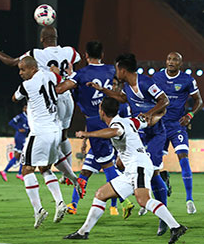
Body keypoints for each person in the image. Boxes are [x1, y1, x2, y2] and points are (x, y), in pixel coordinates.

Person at [64, 97, 187, 244]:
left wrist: (88, 134)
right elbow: (148, 121)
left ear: (101, 112)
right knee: (101, 194)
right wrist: (161, 113)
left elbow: (116, 131)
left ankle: (176, 227)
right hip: (132, 169)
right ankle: (83, 232)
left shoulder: (117, 124)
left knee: (143, 200)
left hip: (139, 166)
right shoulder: (129, 121)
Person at [88, 53, 170, 235]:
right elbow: (123, 98)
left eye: (117, 68)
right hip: (139, 131)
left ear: (123, 70)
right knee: (120, 163)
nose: (116, 71)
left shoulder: (145, 83)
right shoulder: (127, 86)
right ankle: (143, 188)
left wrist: (150, 113)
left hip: (155, 132)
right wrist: (102, 90)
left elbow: (165, 100)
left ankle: (163, 217)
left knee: (154, 171)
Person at [0, 25, 81, 180]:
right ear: (56, 38)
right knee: (63, 135)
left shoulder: (35, 54)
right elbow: (75, 61)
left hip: (52, 97)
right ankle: (68, 172)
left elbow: (12, 62)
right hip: (68, 97)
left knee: (50, 132)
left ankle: (51, 168)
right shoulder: (70, 51)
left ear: (41, 39)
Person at [55, 41, 134, 217]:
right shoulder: (112, 70)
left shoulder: (81, 74)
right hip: (114, 119)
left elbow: (60, 89)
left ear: (85, 55)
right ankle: (74, 204)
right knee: (90, 168)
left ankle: (126, 201)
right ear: (102, 55)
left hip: (96, 121)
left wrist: (60, 77)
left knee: (107, 166)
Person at [12, 56, 70, 228]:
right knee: (45, 168)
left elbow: (15, 98)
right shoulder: (50, 76)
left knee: (26, 169)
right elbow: (59, 78)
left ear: (32, 68)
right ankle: (60, 202)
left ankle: (38, 210)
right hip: (55, 131)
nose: (21, 73)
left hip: (40, 132)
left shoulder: (27, 85)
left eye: (23, 69)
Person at [153, 52, 203, 214]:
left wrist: (190, 115)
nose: (171, 62)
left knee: (183, 158)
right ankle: (155, 194)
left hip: (177, 126)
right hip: (159, 126)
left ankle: (189, 200)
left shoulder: (187, 80)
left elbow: (199, 100)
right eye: (168, 59)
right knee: (154, 165)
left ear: (181, 64)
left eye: (175, 60)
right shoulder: (157, 77)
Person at [0, 105, 29, 182]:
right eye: (26, 108)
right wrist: (18, 129)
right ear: (23, 109)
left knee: (18, 156)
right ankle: (19, 174)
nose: (27, 109)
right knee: (24, 154)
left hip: (22, 137)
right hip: (19, 137)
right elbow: (11, 122)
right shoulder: (20, 116)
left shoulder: (29, 116)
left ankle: (6, 171)